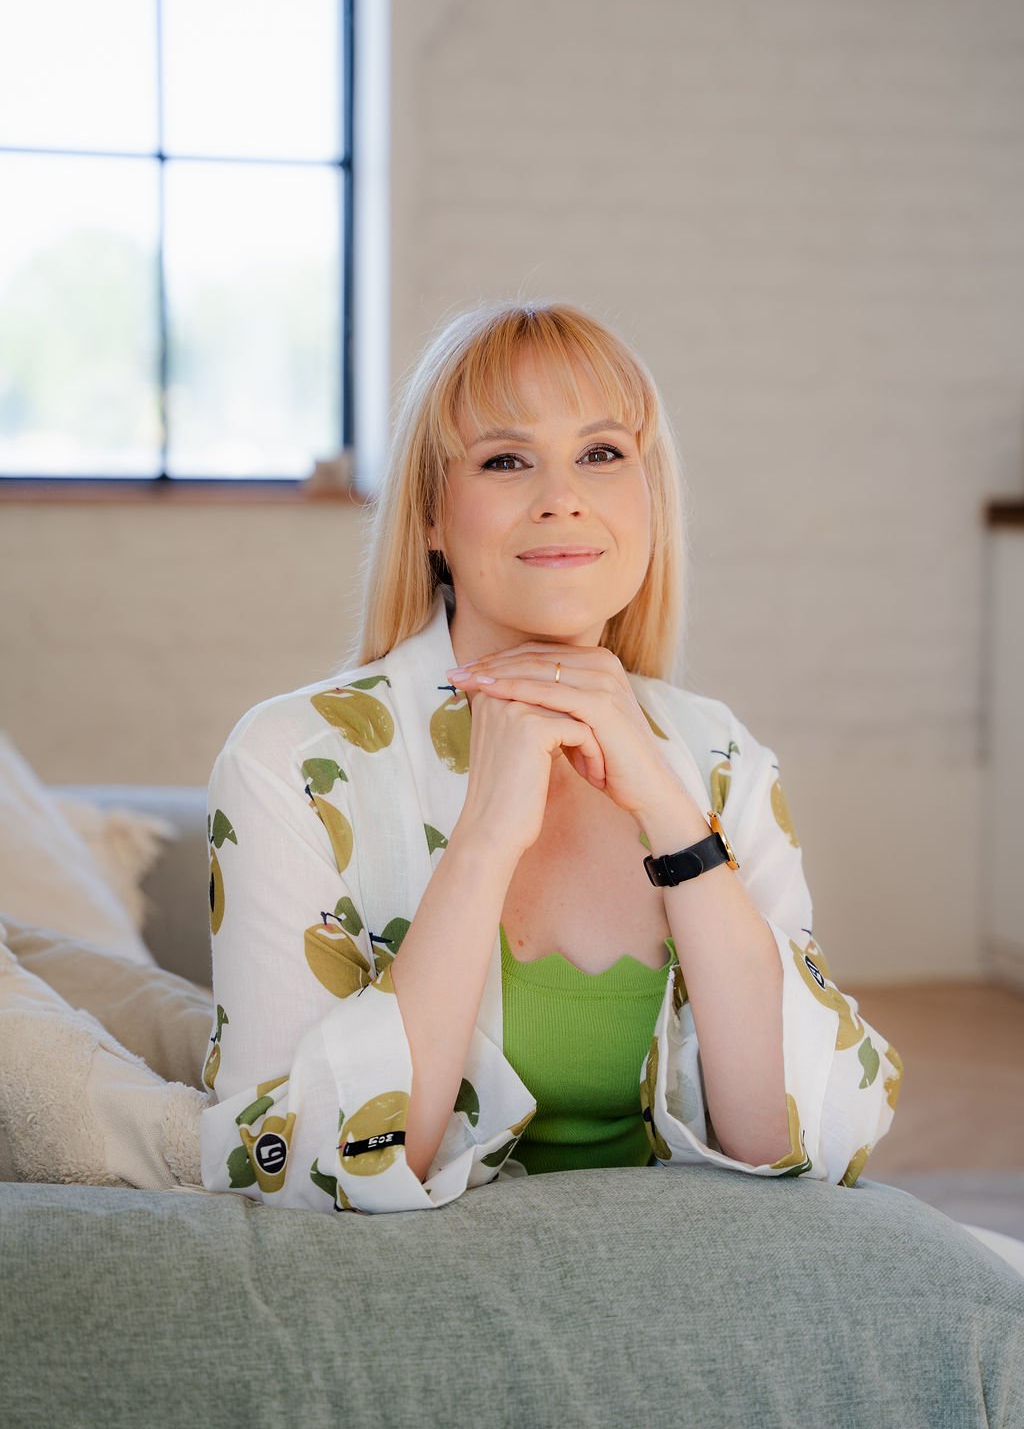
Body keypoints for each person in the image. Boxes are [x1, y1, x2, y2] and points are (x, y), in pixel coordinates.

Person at [198, 298, 903, 1215]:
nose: (563, 496)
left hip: (683, 1278)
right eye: (505, 459)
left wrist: (672, 816)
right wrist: (485, 841)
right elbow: (297, 1164)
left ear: (651, 501)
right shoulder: (290, 761)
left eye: (602, 454)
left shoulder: (722, 755)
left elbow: (810, 1142)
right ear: (431, 519)